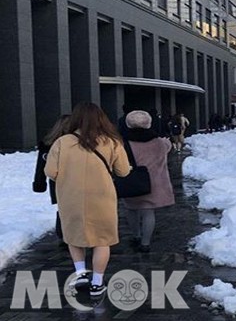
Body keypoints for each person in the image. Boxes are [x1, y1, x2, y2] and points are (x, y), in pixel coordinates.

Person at [44, 102, 130, 296]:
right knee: (102, 239)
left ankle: (81, 273)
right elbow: (123, 171)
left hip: (70, 197)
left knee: (73, 236)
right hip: (102, 197)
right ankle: (97, 282)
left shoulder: (63, 142)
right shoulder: (111, 141)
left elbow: (50, 171)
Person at [122, 110, 174, 253]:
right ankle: (146, 243)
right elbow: (168, 147)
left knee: (131, 209)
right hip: (154, 183)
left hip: (131, 181)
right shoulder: (159, 142)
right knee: (148, 212)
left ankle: (136, 235)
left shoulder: (123, 142)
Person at [32, 114, 71, 247]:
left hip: (56, 181)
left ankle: (63, 235)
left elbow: (41, 166)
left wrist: (39, 183)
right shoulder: (74, 143)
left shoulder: (47, 143)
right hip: (73, 180)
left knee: (63, 208)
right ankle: (71, 234)